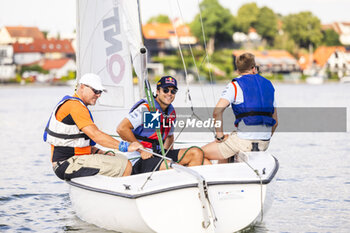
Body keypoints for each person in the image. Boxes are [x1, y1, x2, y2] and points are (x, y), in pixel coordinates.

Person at [43, 73, 142, 180]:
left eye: (100, 92)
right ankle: (122, 194)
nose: (98, 95)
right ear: (82, 87)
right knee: (124, 165)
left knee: (121, 159)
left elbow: (76, 144)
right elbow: (96, 135)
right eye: (95, 91)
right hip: (67, 164)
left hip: (71, 161)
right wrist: (126, 146)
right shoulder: (75, 106)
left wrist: (99, 152)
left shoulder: (76, 105)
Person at [117, 76, 210, 174]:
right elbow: (121, 128)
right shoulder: (147, 108)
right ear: (158, 91)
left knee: (197, 153)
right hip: (138, 158)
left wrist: (166, 155)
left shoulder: (170, 112)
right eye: (165, 90)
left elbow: (169, 136)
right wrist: (142, 150)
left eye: (173, 91)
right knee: (178, 169)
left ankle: (191, 185)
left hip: (157, 153)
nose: (169, 94)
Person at [202, 53, 278, 162]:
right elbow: (275, 122)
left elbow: (217, 112)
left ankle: (215, 177)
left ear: (238, 71)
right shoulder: (269, 86)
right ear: (254, 69)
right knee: (227, 147)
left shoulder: (235, 85)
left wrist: (220, 136)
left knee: (199, 153)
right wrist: (265, 137)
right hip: (264, 143)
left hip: (243, 142)